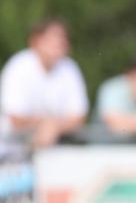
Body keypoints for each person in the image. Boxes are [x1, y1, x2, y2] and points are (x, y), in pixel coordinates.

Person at [0, 19, 88, 148]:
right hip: (11, 147)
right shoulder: (18, 67)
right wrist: (48, 125)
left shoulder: (70, 68)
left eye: (63, 37)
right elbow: (16, 118)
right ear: (36, 41)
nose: (61, 42)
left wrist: (52, 127)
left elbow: (79, 117)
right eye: (54, 36)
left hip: (56, 146)